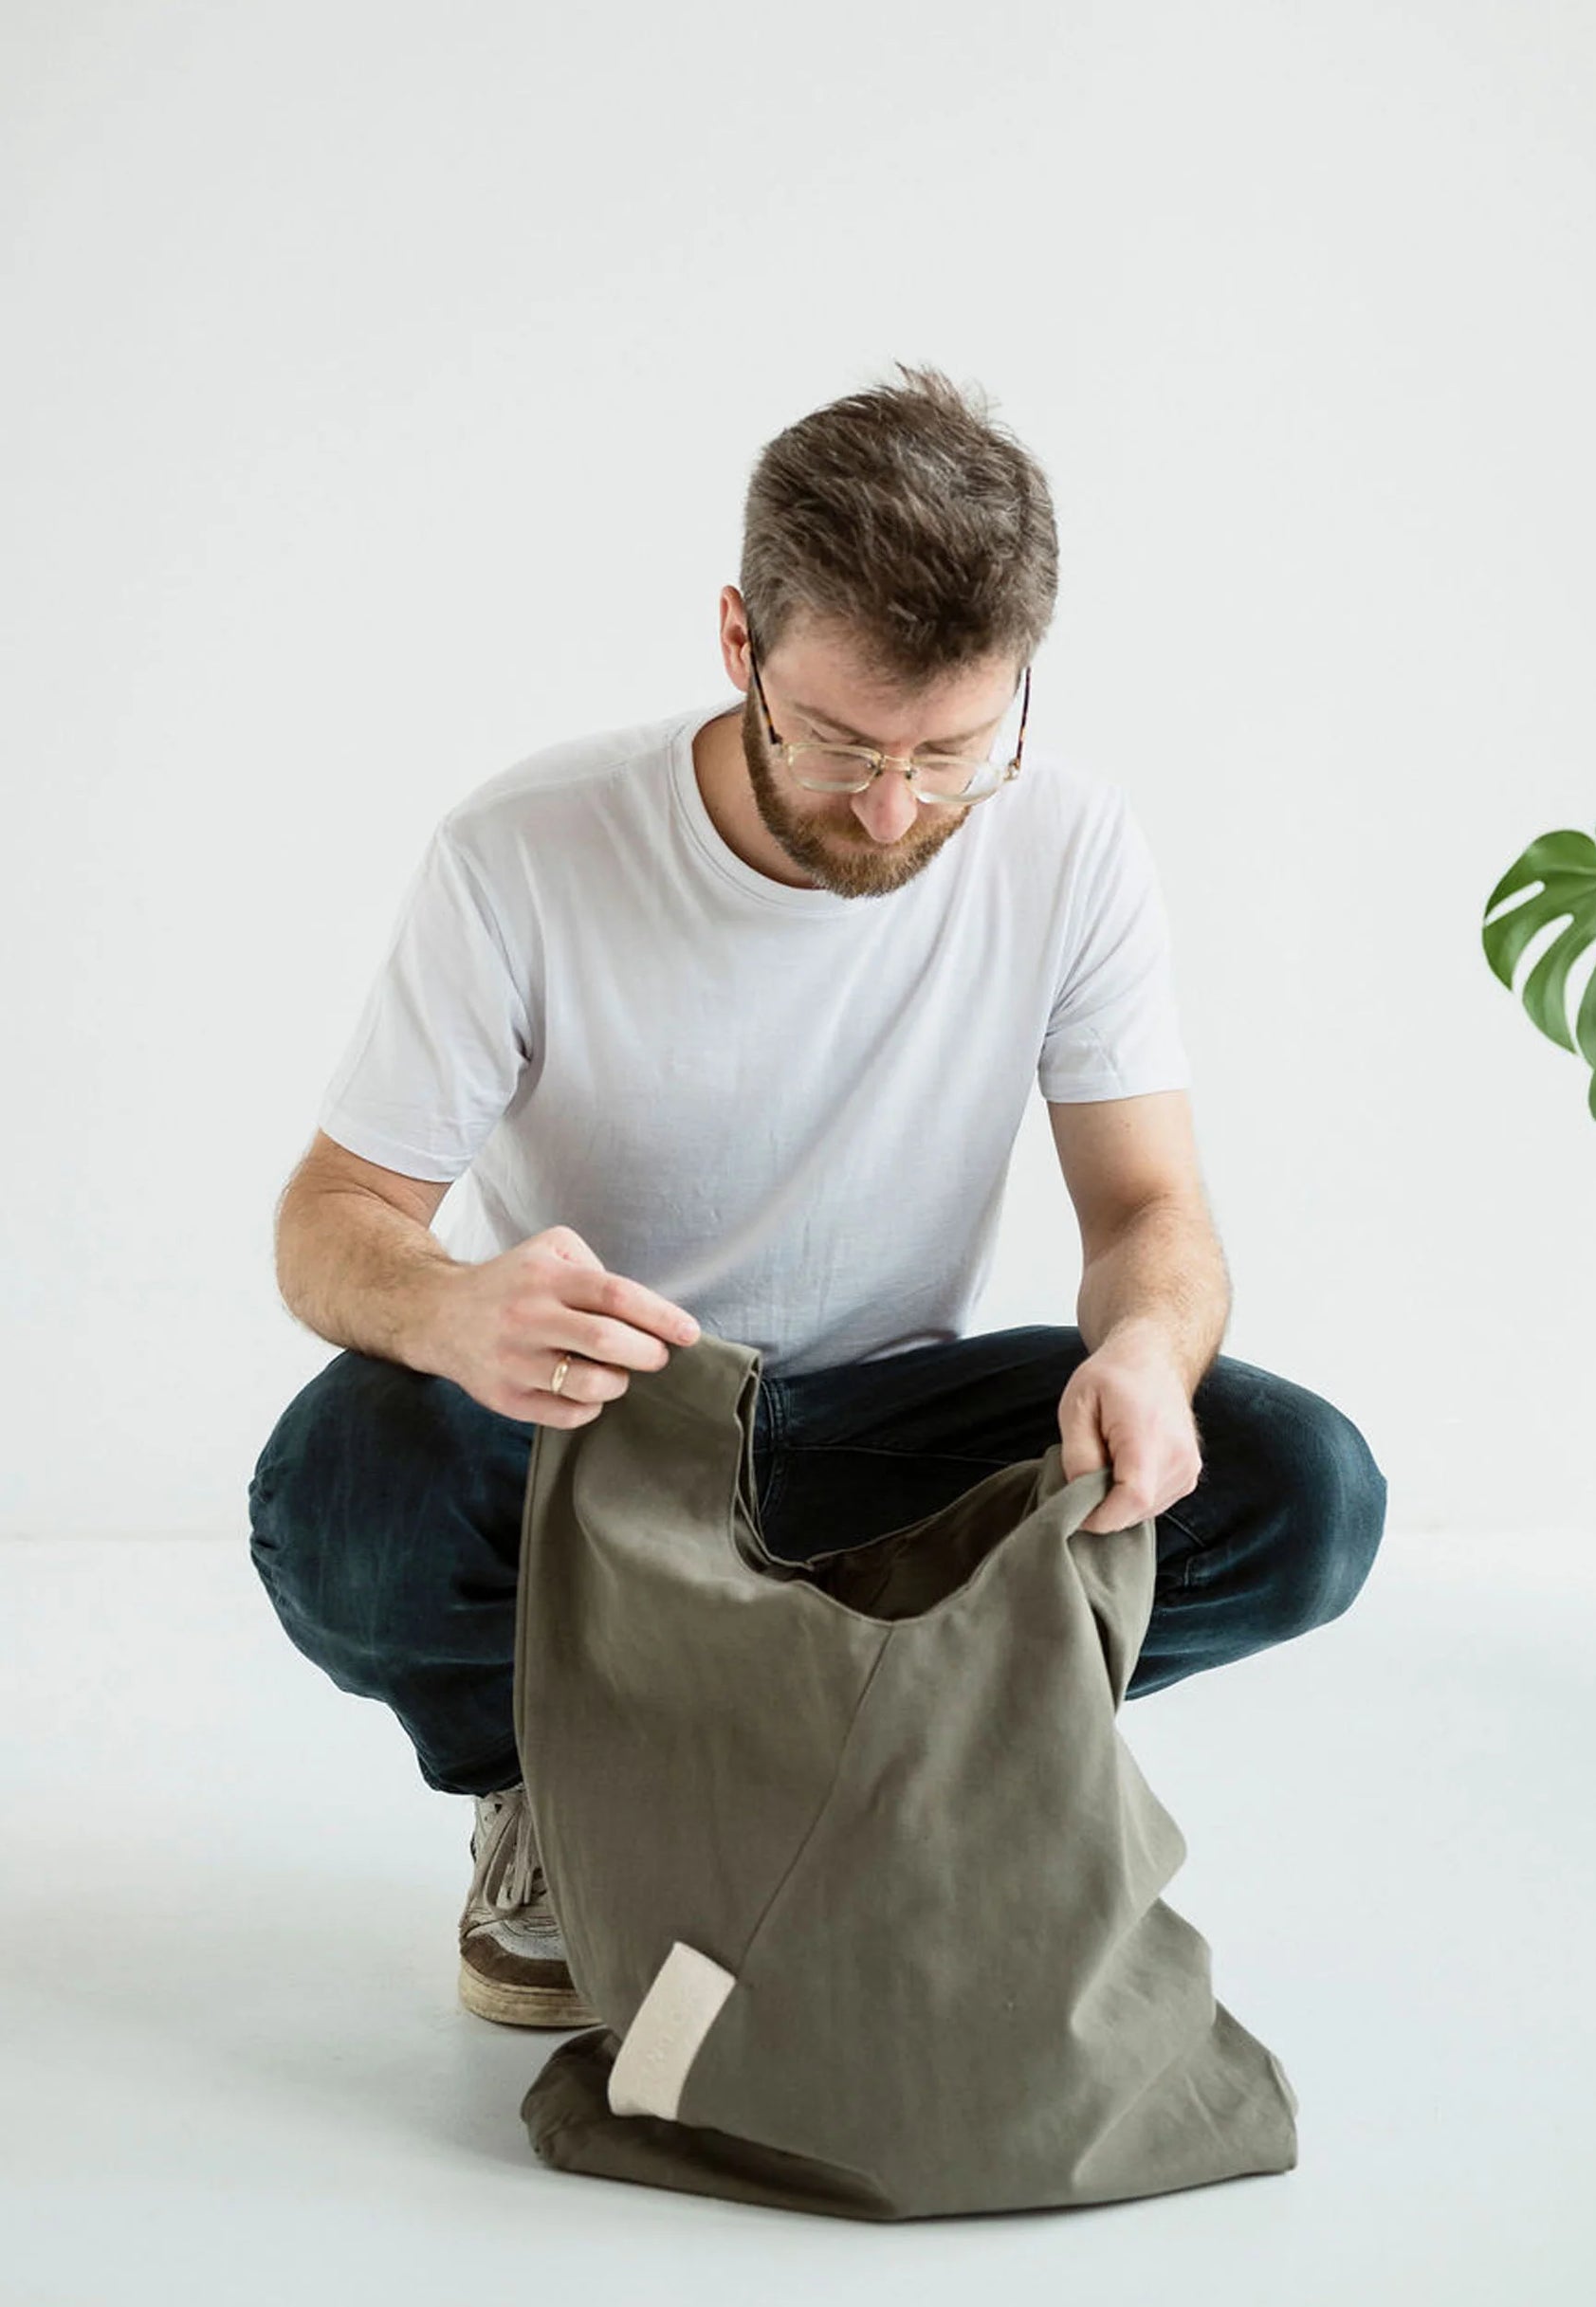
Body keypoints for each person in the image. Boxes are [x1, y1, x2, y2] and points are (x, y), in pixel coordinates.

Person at [248, 360, 1388, 2033]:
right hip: (609, 1425)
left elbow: (1149, 1210)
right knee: (343, 1489)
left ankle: (871, 1759)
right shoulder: (526, 850)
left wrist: (1148, 1350)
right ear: (738, 642)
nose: (893, 806)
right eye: (842, 741)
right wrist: (451, 1305)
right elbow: (332, 1212)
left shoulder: (1070, 845)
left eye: (952, 752)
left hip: (886, 1445)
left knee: (1304, 1488)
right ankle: (555, 1783)